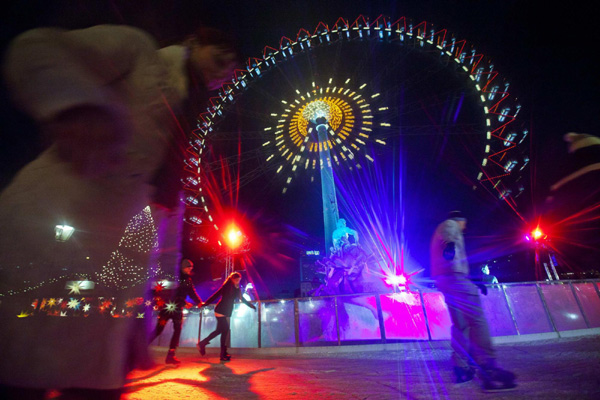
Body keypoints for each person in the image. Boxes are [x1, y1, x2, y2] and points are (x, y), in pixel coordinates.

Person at [0, 24, 236, 398]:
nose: (223, 74)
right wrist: (80, 106)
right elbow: (36, 47)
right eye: (221, 59)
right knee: (19, 372)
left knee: (95, 386)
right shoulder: (139, 52)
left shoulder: (187, 131)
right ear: (196, 42)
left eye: (231, 73)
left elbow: (164, 213)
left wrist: (141, 308)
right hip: (46, 226)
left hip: (111, 265)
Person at [430, 211, 516, 391]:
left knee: (461, 325)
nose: (465, 227)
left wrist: (475, 280)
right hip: (457, 279)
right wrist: (450, 247)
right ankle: (489, 368)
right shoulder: (450, 224)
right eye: (464, 223)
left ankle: (461, 368)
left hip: (446, 280)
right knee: (477, 321)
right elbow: (450, 238)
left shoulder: (440, 229)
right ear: (460, 220)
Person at [150, 259, 203, 365]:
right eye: (189, 267)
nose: (190, 270)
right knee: (159, 329)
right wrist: (184, 302)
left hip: (177, 309)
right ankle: (140, 349)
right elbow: (172, 294)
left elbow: (191, 292)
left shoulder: (187, 279)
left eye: (191, 268)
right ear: (184, 267)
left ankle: (171, 355)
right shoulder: (175, 278)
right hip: (169, 308)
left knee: (177, 330)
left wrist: (199, 302)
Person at [197, 272, 256, 361]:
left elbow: (242, 299)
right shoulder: (226, 286)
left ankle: (220, 352)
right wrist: (205, 303)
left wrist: (250, 305)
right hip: (220, 310)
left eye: (238, 280)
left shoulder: (236, 288)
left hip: (225, 311)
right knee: (224, 330)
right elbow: (216, 295)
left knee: (221, 331)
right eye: (236, 280)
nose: (237, 282)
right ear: (231, 279)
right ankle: (209, 347)